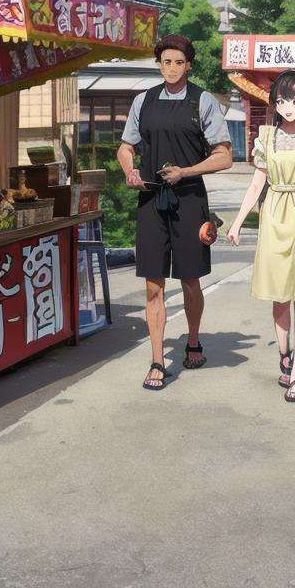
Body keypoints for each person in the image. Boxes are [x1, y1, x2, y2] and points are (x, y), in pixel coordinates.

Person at [116, 34, 232, 392]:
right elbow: (125, 147)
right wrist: (129, 170)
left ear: (189, 65)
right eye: (165, 62)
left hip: (190, 201)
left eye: (178, 62)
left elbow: (224, 155)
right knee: (153, 285)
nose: (171, 68)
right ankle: (156, 360)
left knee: (190, 279)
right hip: (151, 200)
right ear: (159, 64)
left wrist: (185, 171)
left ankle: (193, 339)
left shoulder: (203, 101)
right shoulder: (143, 101)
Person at [226, 71, 295, 403]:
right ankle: (285, 356)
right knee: (279, 298)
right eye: (283, 100)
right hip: (275, 213)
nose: (289, 107)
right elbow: (257, 184)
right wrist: (237, 222)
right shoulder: (267, 137)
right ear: (275, 103)